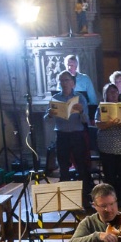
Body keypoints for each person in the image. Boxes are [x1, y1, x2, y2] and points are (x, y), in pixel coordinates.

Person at [50, 71, 94, 204]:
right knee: (63, 167)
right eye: (61, 81)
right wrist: (50, 114)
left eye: (66, 80)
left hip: (77, 135)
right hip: (62, 135)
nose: (64, 83)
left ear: (73, 83)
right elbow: (46, 119)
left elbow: (86, 120)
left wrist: (81, 111)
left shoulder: (80, 98)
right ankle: (66, 199)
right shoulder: (55, 98)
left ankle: (85, 198)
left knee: (82, 167)